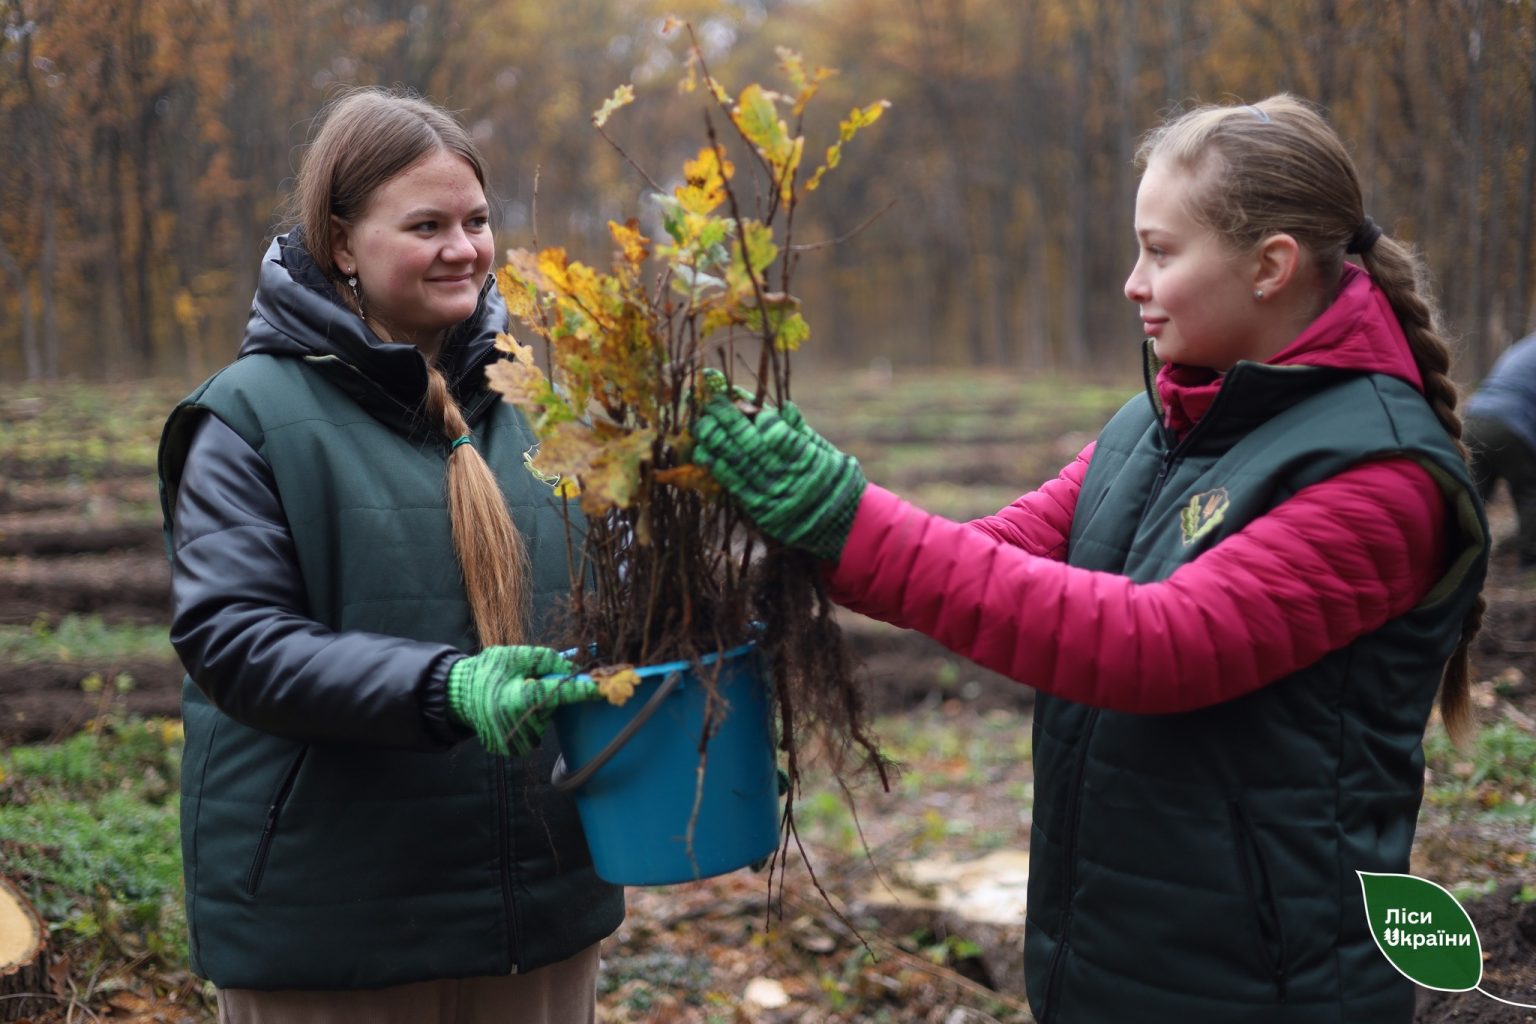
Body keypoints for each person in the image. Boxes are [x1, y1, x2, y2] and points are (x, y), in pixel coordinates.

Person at [693, 94, 1489, 1022]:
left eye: (1161, 251)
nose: (1132, 283)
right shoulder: (1163, 420)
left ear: (1270, 265)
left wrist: (848, 517)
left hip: (1269, 984)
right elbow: (997, 552)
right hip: (1115, 957)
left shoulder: (1379, 480)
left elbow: (1159, 646)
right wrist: (808, 520)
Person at [156, 87, 618, 1023]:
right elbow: (236, 641)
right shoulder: (245, 418)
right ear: (340, 243)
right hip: (333, 927)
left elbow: (609, 606)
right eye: (426, 224)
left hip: (537, 912)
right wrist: (444, 689)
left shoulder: (541, 408)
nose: (465, 248)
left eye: (478, 220)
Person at [1464, 333, 1536, 569]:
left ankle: (1457, 559)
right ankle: (1530, 562)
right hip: (1508, 423)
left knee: (1472, 497)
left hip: (1474, 417)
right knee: (1530, 492)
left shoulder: (1524, 346)